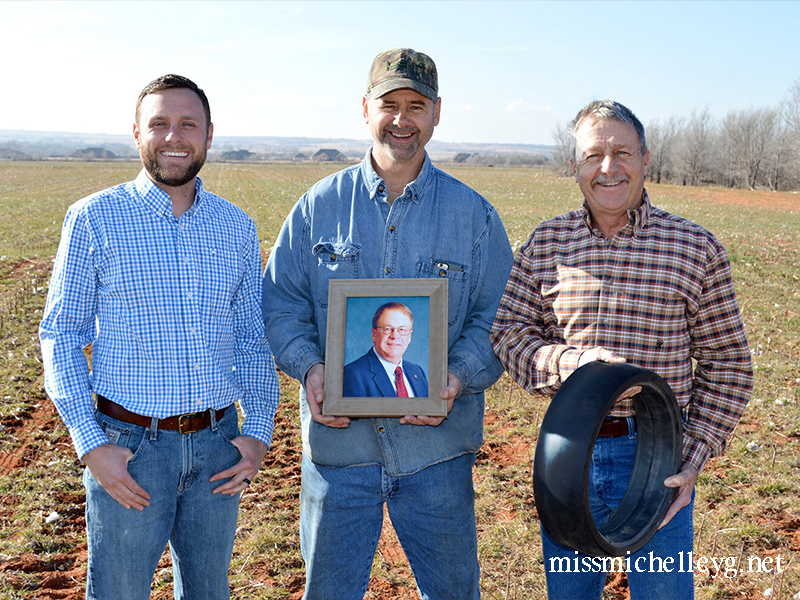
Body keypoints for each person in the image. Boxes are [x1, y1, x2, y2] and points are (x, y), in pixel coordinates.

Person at [262, 48, 514, 599]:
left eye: (416, 105)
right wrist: (309, 370)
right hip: (339, 455)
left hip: (436, 455)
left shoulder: (474, 215)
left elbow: (500, 317)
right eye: (389, 104)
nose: (402, 119)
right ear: (365, 108)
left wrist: (455, 377)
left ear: (437, 113)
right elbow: (281, 306)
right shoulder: (316, 208)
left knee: (453, 592)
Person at [490, 99, 753, 599]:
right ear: (574, 166)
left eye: (622, 153)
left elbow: (729, 366)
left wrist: (690, 460)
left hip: (658, 455)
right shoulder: (546, 244)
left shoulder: (695, 248)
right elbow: (508, 334)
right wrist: (571, 364)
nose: (607, 168)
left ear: (646, 159)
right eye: (593, 155)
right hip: (569, 451)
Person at [39, 74, 280, 600]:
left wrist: (259, 430)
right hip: (129, 449)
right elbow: (61, 334)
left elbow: (251, 336)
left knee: (209, 592)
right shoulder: (94, 219)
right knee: (120, 592)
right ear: (136, 133)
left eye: (188, 124)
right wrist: (92, 445)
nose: (175, 136)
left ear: (209, 134)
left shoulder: (235, 225)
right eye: (160, 124)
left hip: (218, 447)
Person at [342, 302, 428, 397]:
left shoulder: (417, 372)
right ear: (374, 335)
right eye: (387, 329)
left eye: (402, 330)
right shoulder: (353, 375)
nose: (395, 336)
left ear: (410, 336)